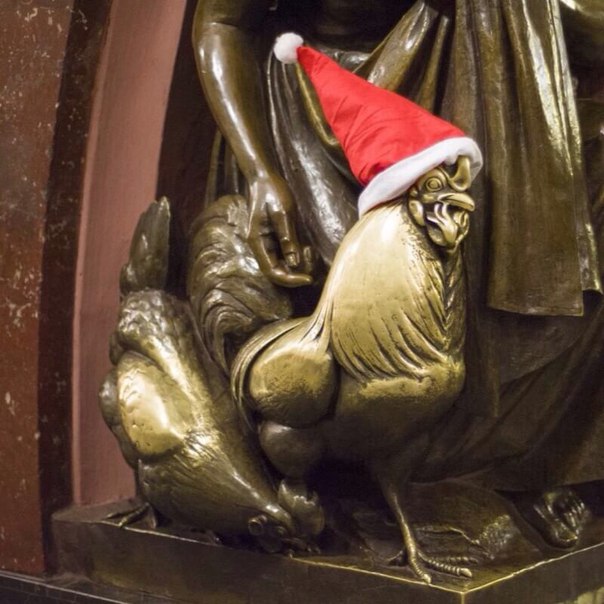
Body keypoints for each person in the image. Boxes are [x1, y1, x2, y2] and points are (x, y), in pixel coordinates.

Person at [192, 0, 604, 546]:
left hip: (463, 63)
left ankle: (520, 461)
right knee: (382, 319)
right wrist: (261, 172)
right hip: (317, 97)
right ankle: (384, 484)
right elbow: (222, 21)